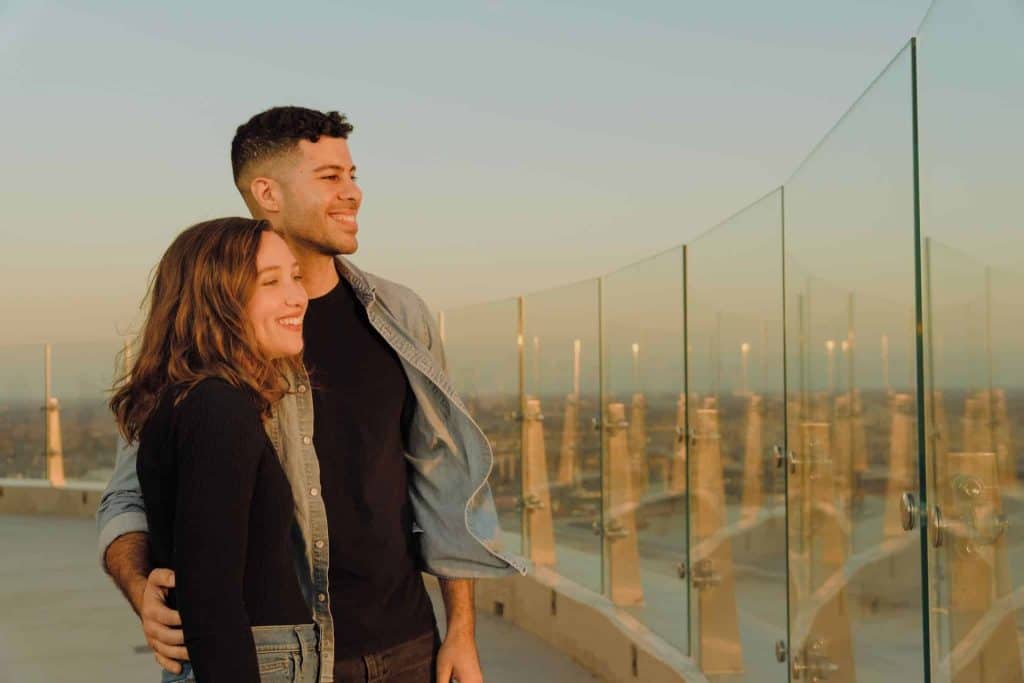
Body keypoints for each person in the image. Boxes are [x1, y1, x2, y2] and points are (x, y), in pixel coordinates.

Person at [97, 107, 526, 683]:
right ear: (267, 193)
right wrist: (138, 588)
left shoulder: (400, 316)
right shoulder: (202, 348)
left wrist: (461, 634)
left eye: (352, 175)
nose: (354, 193)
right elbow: (128, 497)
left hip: (407, 643)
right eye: (330, 177)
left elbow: (442, 482)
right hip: (287, 657)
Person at [109, 217, 316, 681]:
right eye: (270, 281)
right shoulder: (217, 406)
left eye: (295, 276)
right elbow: (212, 594)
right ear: (218, 300)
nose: (296, 295)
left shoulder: (197, 399)